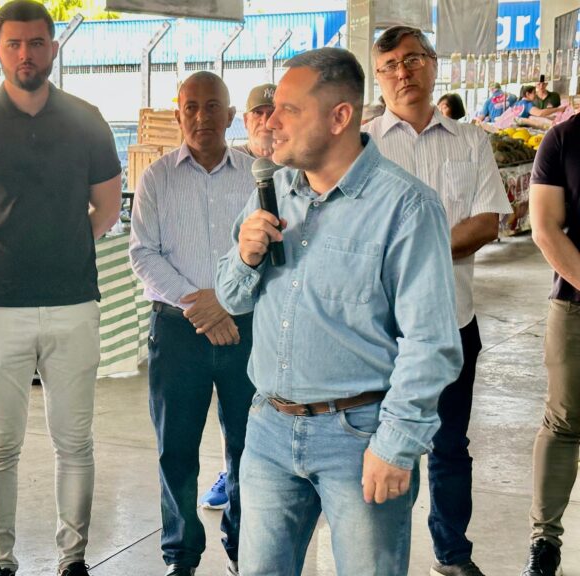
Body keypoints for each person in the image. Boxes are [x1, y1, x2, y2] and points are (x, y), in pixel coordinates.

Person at [215, 47, 463, 575]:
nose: (270, 122)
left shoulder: (405, 207)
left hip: (359, 436)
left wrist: (396, 445)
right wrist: (244, 257)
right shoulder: (271, 192)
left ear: (339, 117)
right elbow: (232, 299)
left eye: (288, 110)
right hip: (269, 429)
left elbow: (431, 343)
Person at [0, 2, 121, 574]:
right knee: (0, 445)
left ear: (53, 48)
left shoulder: (87, 121)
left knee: (75, 442)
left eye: (36, 43)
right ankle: (3, 561)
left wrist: (62, 248)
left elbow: (107, 207)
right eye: (14, 44)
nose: (26, 54)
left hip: (73, 303)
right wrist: (0, 254)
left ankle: (72, 559)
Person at [364, 25, 512, 576]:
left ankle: (453, 556)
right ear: (378, 79)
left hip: (452, 322)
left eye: (412, 60)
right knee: (387, 449)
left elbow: (486, 222)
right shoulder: (363, 146)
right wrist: (430, 247)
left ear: (432, 63)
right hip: (381, 332)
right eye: (389, 66)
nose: (402, 73)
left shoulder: (470, 141)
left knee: (450, 447)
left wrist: (410, 251)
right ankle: (385, 559)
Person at [129, 71, 255, 576]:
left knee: (248, 446)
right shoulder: (156, 178)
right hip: (178, 331)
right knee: (176, 449)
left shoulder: (256, 176)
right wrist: (197, 304)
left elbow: (274, 250)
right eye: (191, 107)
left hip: (243, 329)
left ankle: (244, 548)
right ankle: (180, 554)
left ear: (231, 115)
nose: (202, 117)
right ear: (178, 114)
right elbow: (143, 254)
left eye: (213, 106)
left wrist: (225, 302)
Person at [198, 82, 275, 512]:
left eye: (274, 111)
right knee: (235, 409)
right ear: (244, 120)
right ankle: (231, 473)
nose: (267, 120)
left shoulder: (300, 169)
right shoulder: (236, 169)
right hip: (235, 308)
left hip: (277, 311)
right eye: (258, 113)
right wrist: (218, 306)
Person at [521, 111, 580, 576]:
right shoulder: (563, 140)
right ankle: (545, 544)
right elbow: (544, 228)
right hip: (575, 304)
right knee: (562, 422)